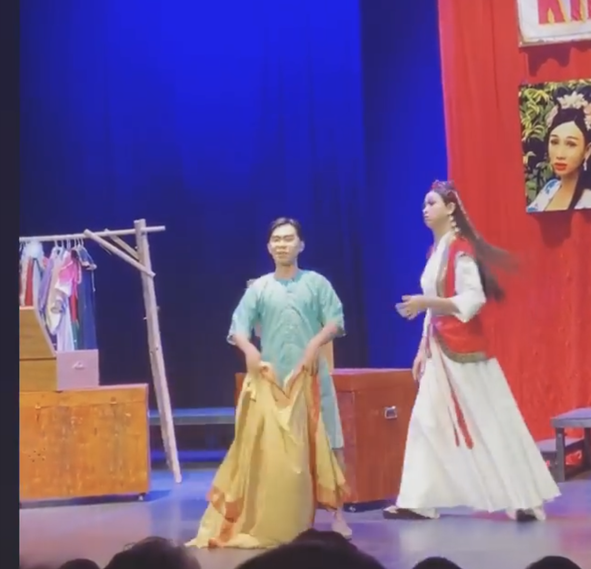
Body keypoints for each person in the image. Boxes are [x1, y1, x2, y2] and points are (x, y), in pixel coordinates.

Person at [384, 181, 560, 522]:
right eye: (424, 204)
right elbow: (432, 311)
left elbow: (473, 298)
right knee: (426, 420)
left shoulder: (460, 250)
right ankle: (417, 499)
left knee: (490, 421)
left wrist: (427, 302)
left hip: (464, 348)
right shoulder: (436, 252)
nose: (425, 209)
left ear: (450, 208)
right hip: (439, 348)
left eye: (431, 203)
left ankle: (523, 498)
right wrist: (421, 349)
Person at [188, 218, 351, 548]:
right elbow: (238, 327)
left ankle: (338, 515)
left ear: (301, 245)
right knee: (271, 449)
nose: (282, 245)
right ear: (268, 247)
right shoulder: (259, 288)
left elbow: (335, 320)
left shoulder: (316, 283)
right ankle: (277, 514)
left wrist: (314, 344)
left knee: (329, 440)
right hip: (273, 380)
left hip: (310, 377)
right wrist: (249, 350)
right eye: (276, 240)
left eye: (288, 239)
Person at [527, 87, 591, 212]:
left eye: (570, 144)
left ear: (587, 150)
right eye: (554, 142)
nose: (559, 154)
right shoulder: (551, 187)